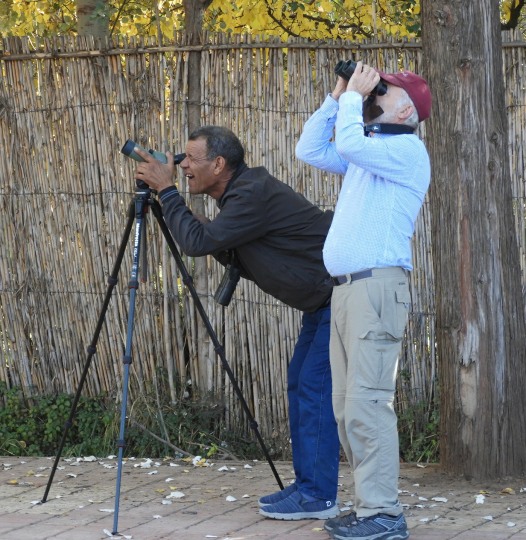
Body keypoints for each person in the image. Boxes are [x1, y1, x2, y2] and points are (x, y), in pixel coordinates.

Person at [132, 125, 341, 520]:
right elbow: (217, 241)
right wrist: (182, 208)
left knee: (313, 390)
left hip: (339, 297)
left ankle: (318, 496)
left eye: (191, 158)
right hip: (322, 303)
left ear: (218, 164)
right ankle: (309, 487)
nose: (184, 165)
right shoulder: (243, 195)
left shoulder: (250, 195)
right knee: (302, 384)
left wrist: (167, 190)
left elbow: (196, 244)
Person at [295, 62, 432, 540]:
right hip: (349, 291)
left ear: (406, 110)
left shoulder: (407, 150)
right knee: (347, 408)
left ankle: (384, 514)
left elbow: (350, 143)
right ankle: (370, 507)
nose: (375, 92)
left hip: (375, 290)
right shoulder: (369, 151)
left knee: (368, 404)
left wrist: (354, 97)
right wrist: (338, 93)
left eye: (384, 90)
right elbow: (309, 148)